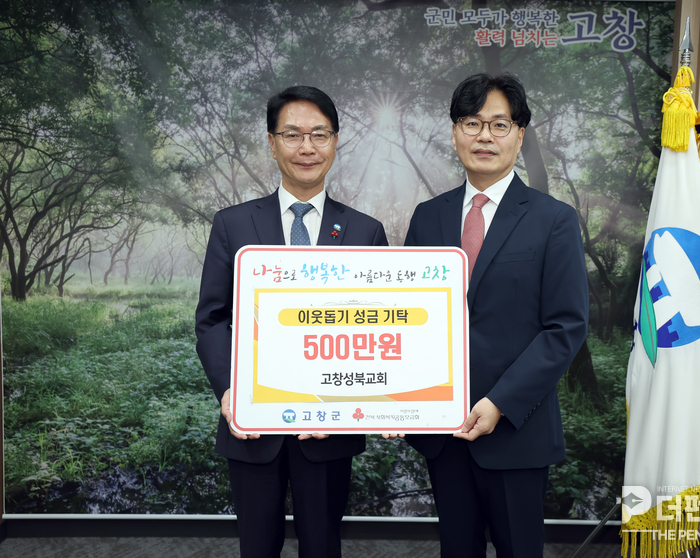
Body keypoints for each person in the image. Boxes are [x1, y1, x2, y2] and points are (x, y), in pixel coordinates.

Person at [195, 85, 388, 558]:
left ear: (335, 141)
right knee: (257, 547)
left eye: (319, 134)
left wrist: (349, 403)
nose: (307, 147)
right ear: (272, 142)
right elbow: (212, 319)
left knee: (322, 546)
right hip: (251, 425)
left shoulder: (365, 231)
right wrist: (230, 391)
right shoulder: (233, 224)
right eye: (293, 134)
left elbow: (377, 329)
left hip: (329, 430)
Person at [402, 74, 588, 557]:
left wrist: (500, 402)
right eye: (472, 123)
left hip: (515, 430)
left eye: (499, 124)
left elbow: (565, 326)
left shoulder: (553, 219)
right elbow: (407, 318)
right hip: (441, 431)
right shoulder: (428, 216)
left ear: (519, 135)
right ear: (455, 132)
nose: (484, 136)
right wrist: (396, 398)